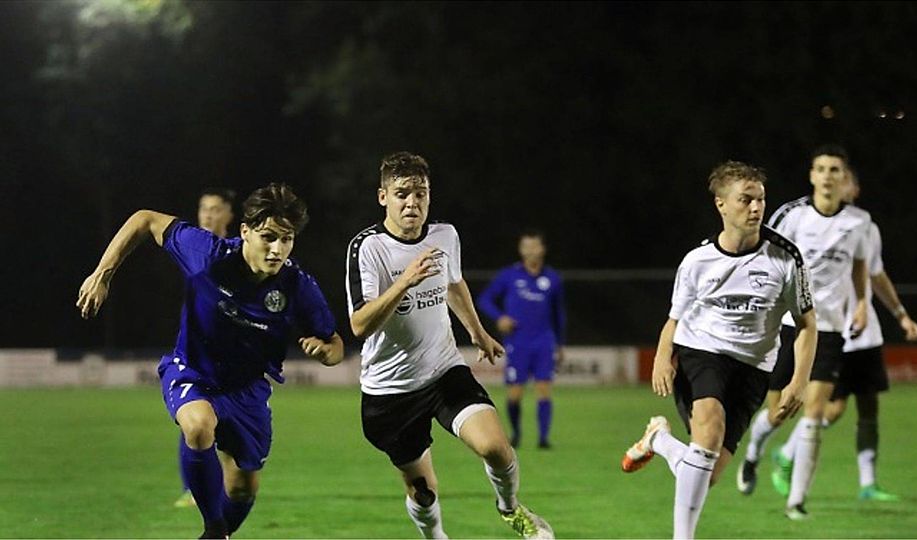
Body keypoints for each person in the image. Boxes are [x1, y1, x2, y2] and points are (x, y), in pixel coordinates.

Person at [77, 183, 344, 538]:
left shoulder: (297, 286)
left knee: (243, 488)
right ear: (245, 231)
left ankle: (218, 534)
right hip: (193, 371)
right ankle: (215, 530)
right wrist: (102, 274)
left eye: (287, 239)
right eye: (268, 237)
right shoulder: (208, 254)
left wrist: (326, 353)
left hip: (247, 390)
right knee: (198, 426)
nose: (277, 249)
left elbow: (335, 344)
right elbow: (145, 219)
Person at [346, 152, 553, 539]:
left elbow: (453, 283)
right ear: (383, 197)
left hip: (443, 371)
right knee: (423, 492)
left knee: (496, 448)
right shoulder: (368, 248)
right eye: (402, 194)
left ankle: (511, 509)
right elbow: (359, 323)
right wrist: (404, 282)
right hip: (389, 393)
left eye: (420, 193)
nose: (412, 203)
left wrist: (477, 330)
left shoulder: (445, 235)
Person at [620, 160, 816, 539]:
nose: (756, 208)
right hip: (701, 352)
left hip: (755, 368)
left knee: (703, 475)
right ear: (721, 204)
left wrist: (799, 381)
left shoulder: (785, 258)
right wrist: (662, 356)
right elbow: (674, 319)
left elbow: (807, 324)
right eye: (746, 199)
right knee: (709, 431)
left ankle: (659, 439)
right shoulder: (697, 261)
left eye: (760, 199)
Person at [737, 145, 872, 520]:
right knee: (779, 412)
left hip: (829, 329)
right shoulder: (792, 215)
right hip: (787, 325)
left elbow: (859, 264)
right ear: (812, 175)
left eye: (835, 170)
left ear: (844, 178)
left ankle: (796, 502)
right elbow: (763, 255)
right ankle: (753, 454)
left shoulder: (858, 222)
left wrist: (862, 302)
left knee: (814, 414)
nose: (828, 176)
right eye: (821, 169)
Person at [821, 168, 917, 501]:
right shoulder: (811, 224)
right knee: (831, 408)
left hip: (866, 333)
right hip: (832, 329)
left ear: (854, 188)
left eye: (845, 178)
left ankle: (868, 483)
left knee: (869, 407)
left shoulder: (866, 226)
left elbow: (876, 276)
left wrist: (901, 315)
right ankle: (789, 452)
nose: (838, 183)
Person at [176, 186, 239, 510]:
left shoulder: (242, 252)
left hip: (238, 358)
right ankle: (196, 488)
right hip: (199, 356)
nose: (208, 215)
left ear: (230, 215)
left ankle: (225, 488)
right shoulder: (192, 248)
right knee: (193, 417)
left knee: (231, 431)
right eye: (204, 209)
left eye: (216, 209)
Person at [478, 230, 566, 449]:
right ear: (520, 250)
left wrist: (560, 344)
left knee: (544, 389)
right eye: (526, 246)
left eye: (534, 246)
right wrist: (500, 317)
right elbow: (485, 299)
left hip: (544, 342)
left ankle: (543, 439)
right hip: (517, 342)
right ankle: (516, 433)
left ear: (542, 249)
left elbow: (559, 314)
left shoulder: (552, 278)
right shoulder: (509, 276)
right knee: (515, 394)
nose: (530, 251)